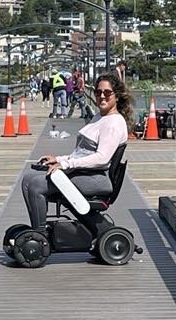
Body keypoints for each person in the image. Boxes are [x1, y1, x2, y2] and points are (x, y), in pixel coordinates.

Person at [21, 71, 130, 232]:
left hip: (96, 178)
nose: (102, 96)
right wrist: (57, 158)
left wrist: (65, 164)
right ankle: (36, 230)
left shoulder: (113, 123)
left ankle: (40, 235)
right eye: (98, 92)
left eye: (107, 92)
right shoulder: (100, 117)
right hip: (84, 172)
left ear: (117, 96)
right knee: (28, 180)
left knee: (37, 184)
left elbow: (102, 158)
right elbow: (82, 152)